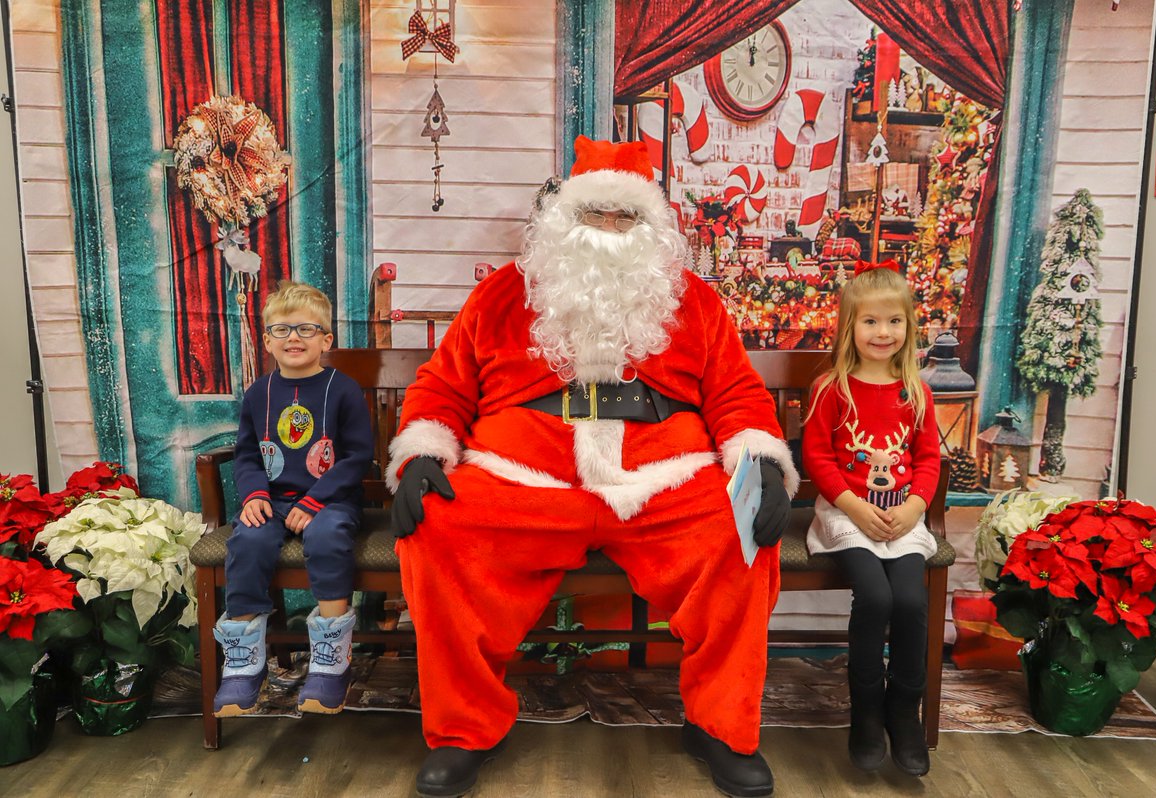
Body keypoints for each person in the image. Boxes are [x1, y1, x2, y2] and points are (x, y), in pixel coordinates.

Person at [387, 136, 800, 798]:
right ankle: (465, 728)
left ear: (650, 227)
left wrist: (761, 458)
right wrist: (423, 451)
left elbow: (734, 392)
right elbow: (445, 386)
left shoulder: (691, 299)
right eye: (596, 215)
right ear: (565, 220)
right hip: (525, 477)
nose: (609, 231)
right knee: (438, 525)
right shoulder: (504, 293)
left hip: (663, 477)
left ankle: (721, 726)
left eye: (625, 217)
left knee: (742, 531)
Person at [801, 260, 939, 776]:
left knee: (908, 598)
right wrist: (853, 505)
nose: (883, 332)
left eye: (894, 322)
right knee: (876, 596)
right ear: (849, 327)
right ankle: (864, 712)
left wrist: (914, 507)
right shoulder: (831, 389)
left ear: (908, 326)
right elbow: (816, 458)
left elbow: (928, 460)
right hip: (846, 514)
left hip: (903, 515)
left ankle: (903, 709)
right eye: (871, 322)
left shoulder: (915, 391)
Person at [213, 281, 372, 717]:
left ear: (326, 340)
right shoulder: (258, 394)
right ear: (266, 341)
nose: (294, 338)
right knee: (248, 540)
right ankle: (243, 663)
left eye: (306, 329)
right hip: (274, 499)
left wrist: (316, 500)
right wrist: (254, 495)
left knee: (327, 537)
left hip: (331, 500)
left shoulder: (343, 390)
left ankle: (330, 661)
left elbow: (358, 457)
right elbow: (247, 453)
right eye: (281, 330)